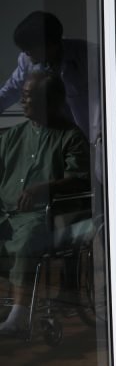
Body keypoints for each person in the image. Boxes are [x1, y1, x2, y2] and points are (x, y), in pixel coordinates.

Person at [0, 71, 90, 333]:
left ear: (50, 101)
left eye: (28, 97)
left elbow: (81, 179)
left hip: (44, 215)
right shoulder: (13, 136)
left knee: (27, 239)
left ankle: (17, 317)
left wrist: (45, 188)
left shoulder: (70, 137)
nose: (22, 102)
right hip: (6, 211)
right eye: (23, 96)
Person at [0, 11, 98, 144]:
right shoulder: (26, 60)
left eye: (30, 49)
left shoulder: (88, 56)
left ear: (51, 45)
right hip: (52, 138)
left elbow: (101, 102)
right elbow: (11, 90)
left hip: (88, 137)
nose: (26, 54)